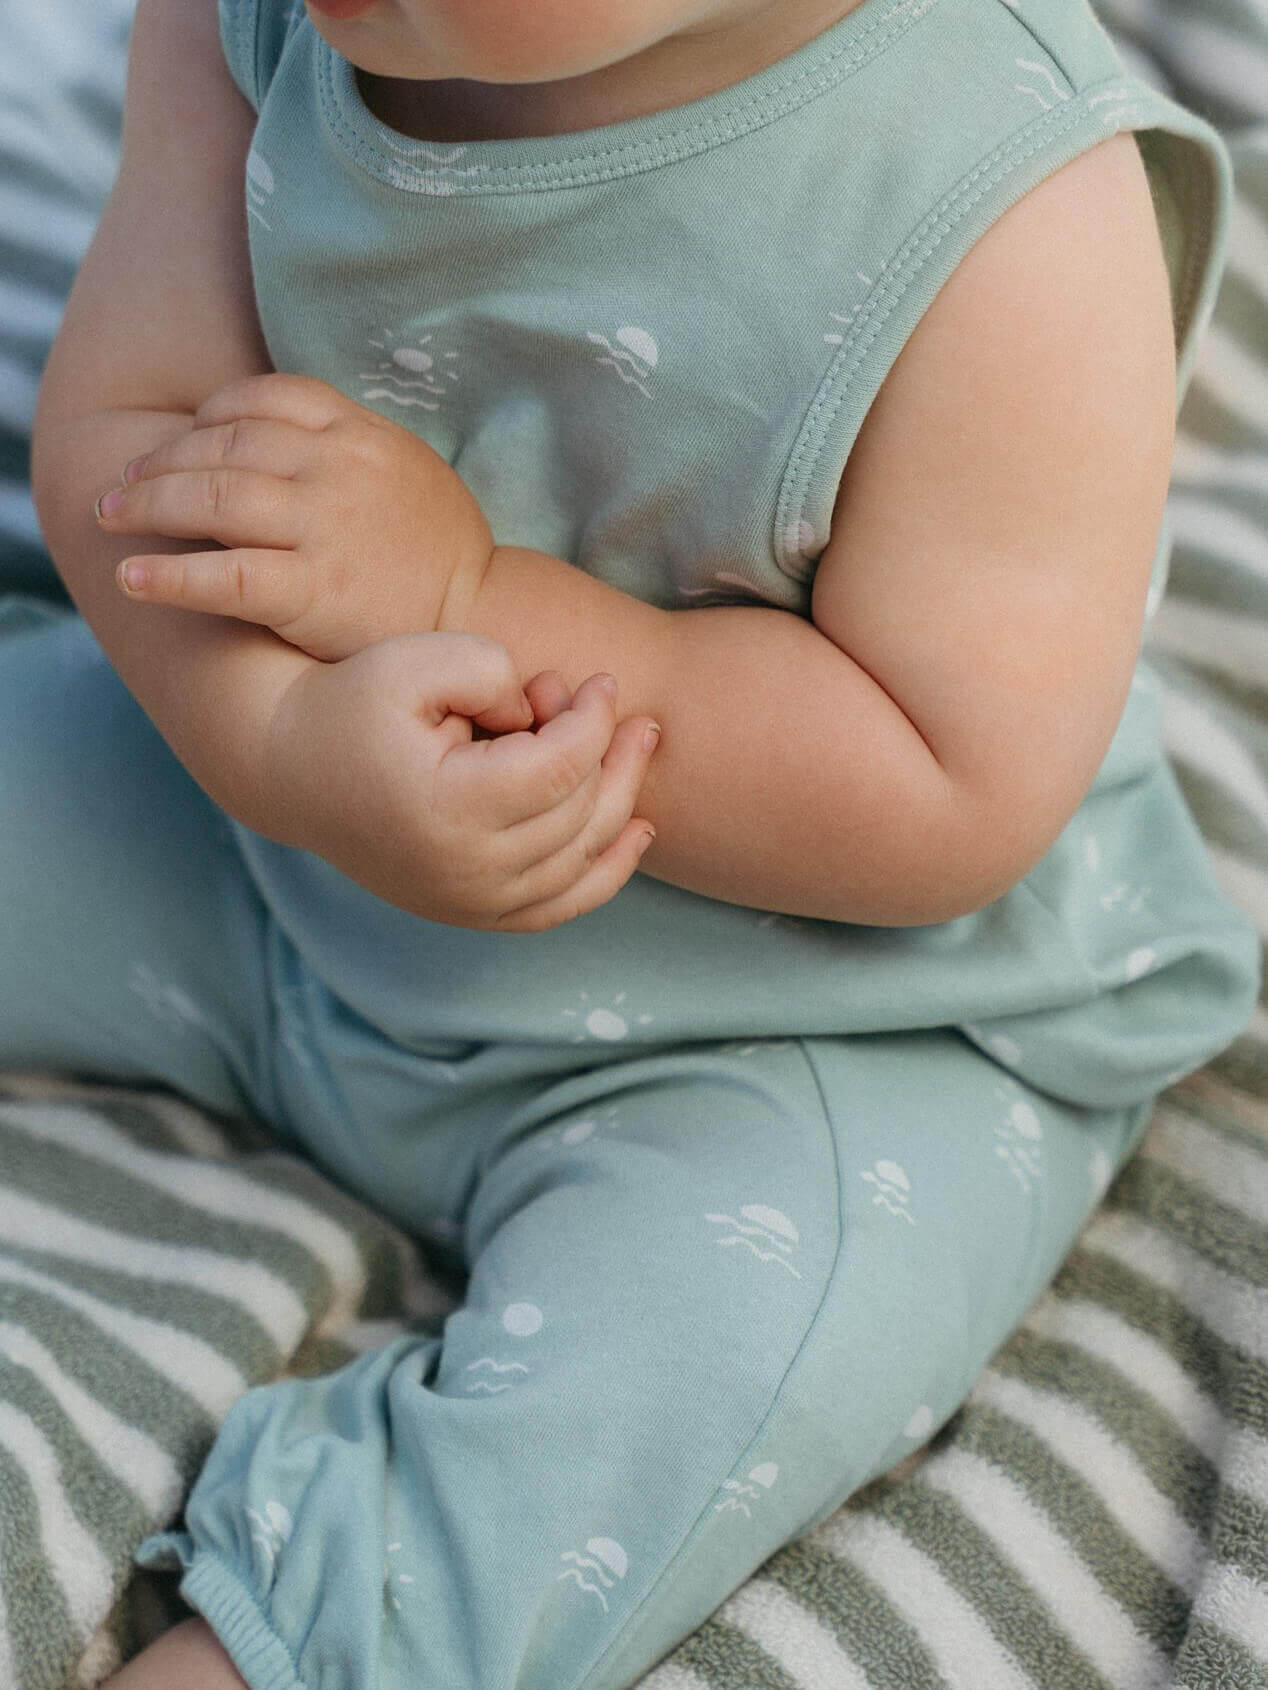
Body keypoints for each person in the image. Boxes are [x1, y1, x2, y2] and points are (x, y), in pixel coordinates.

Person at [16, 0, 1260, 1685]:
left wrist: (470, 605)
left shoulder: (1009, 204)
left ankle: (312, 1635)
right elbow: (136, 436)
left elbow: (944, 778)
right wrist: (288, 748)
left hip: (793, 1011)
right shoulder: (260, 21)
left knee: (705, 1362)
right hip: (265, 826)